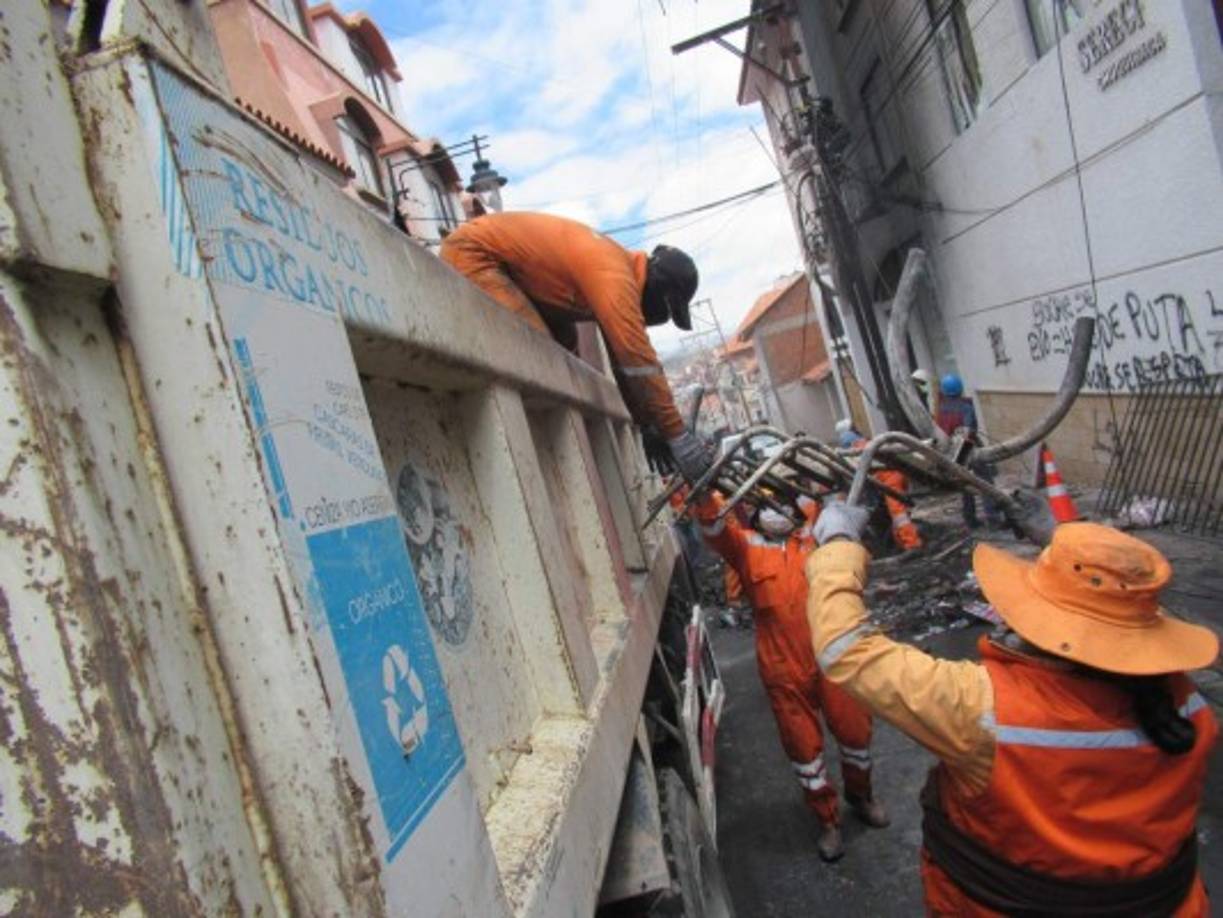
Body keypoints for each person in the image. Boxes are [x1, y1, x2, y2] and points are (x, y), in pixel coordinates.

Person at [806, 505, 1219, 916]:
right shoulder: (1189, 707)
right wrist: (1064, 547)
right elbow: (1118, 611)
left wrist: (839, 546)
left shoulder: (983, 710)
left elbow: (847, 649)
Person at [440, 212, 712, 481]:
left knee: (566, 347)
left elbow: (623, 365)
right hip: (476, 255)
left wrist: (647, 424)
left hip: (511, 270)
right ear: (661, 291)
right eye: (666, 312)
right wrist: (678, 436)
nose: (659, 320)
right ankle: (530, 471)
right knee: (545, 365)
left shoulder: (619, 269)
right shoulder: (615, 277)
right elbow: (637, 359)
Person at [692, 490, 888, 861]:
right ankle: (827, 820)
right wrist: (704, 494)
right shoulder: (746, 548)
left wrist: (847, 506)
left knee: (855, 734)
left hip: (832, 656)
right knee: (803, 749)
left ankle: (861, 796)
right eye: (766, 507)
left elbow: (852, 548)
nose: (775, 513)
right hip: (783, 667)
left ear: (797, 511)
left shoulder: (817, 539)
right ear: (756, 513)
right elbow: (714, 528)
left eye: (782, 505)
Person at [834, 418, 922, 551]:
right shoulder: (862, 442)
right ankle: (904, 542)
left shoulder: (850, 446)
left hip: (888, 478)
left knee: (899, 515)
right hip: (890, 476)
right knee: (897, 514)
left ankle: (912, 544)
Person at [935, 374, 1001, 529]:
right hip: (968, 447)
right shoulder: (965, 406)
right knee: (985, 482)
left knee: (965, 484)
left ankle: (970, 519)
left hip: (951, 450)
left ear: (944, 391)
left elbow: (940, 433)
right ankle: (993, 518)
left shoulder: (941, 409)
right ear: (960, 388)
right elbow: (968, 430)